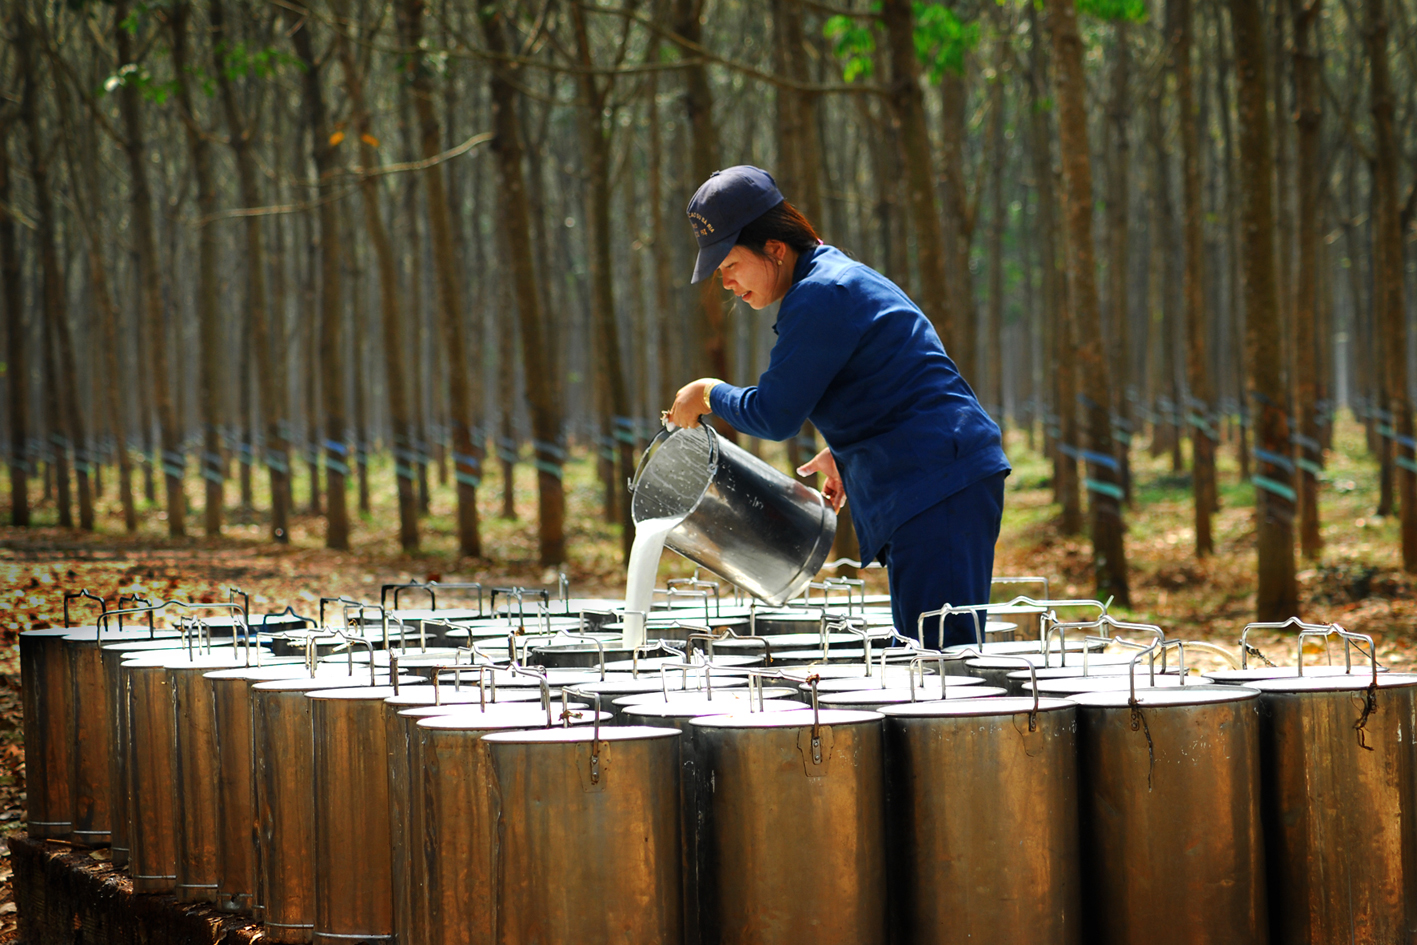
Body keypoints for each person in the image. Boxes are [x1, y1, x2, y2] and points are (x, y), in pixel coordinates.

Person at [666, 166, 1010, 647]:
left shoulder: (821, 294)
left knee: (939, 666)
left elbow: (775, 414)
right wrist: (848, 449)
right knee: (925, 653)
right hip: (935, 477)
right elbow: (887, 377)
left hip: (938, 483)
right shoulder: (831, 280)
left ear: (775, 249)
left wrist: (706, 393)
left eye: (730, 266)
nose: (726, 283)